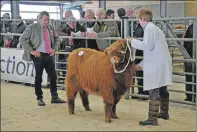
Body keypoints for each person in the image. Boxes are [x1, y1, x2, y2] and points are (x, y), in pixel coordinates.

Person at [128, 9, 172, 126]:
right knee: (162, 88)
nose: (139, 21)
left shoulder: (149, 28)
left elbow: (147, 46)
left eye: (139, 19)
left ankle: (152, 118)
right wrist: (142, 65)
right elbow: (153, 50)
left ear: (142, 19)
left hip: (157, 64)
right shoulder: (155, 28)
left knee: (154, 90)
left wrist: (133, 41)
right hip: (161, 62)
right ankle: (164, 112)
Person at [19, 11, 66, 106]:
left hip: (49, 55)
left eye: (47, 19)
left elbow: (57, 38)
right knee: (39, 77)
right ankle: (39, 98)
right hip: (38, 55)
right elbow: (22, 39)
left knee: (53, 76)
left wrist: (54, 49)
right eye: (45, 19)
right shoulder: (32, 27)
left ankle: (54, 97)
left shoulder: (50, 27)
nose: (46, 21)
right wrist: (32, 51)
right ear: (39, 19)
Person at [183, 23, 196, 102]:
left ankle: (190, 96)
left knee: (190, 76)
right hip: (190, 56)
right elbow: (185, 42)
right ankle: (190, 96)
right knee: (190, 76)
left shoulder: (191, 27)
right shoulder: (191, 27)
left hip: (190, 56)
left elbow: (185, 43)